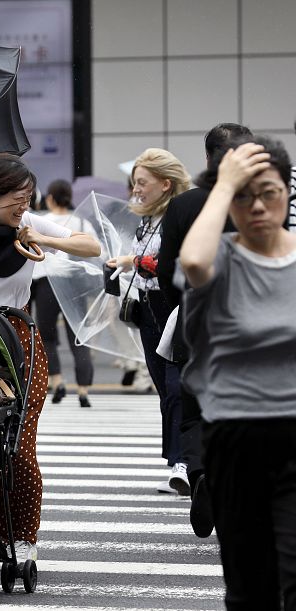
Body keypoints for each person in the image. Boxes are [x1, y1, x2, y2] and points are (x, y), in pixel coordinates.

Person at [0, 152, 100, 563]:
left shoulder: (28, 225)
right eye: (16, 199)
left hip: (21, 341)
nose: (24, 206)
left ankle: (22, 536)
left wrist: (42, 238)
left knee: (19, 446)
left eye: (28, 197)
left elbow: (91, 246)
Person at [180, 137, 296, 610]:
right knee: (251, 588)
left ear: (287, 193)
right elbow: (192, 262)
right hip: (235, 436)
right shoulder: (219, 257)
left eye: (268, 192)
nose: (258, 207)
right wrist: (224, 183)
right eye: (243, 196)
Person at [156, 122, 252, 535]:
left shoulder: (183, 205)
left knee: (193, 413)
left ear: (208, 158)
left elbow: (165, 273)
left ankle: (200, 476)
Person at [106, 148, 191, 495]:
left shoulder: (180, 215)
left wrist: (139, 262)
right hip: (147, 306)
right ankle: (178, 461)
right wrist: (125, 263)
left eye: (142, 183)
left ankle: (187, 462)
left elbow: (176, 260)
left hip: (174, 304)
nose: (135, 189)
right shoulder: (146, 218)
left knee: (177, 386)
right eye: (134, 183)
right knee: (162, 386)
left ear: (165, 184)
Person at [32, 179, 95, 407]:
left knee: (47, 337)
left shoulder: (42, 222)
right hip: (74, 285)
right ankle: (84, 390)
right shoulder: (80, 222)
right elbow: (97, 252)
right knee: (78, 337)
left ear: (49, 198)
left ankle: (57, 381)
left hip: (46, 284)